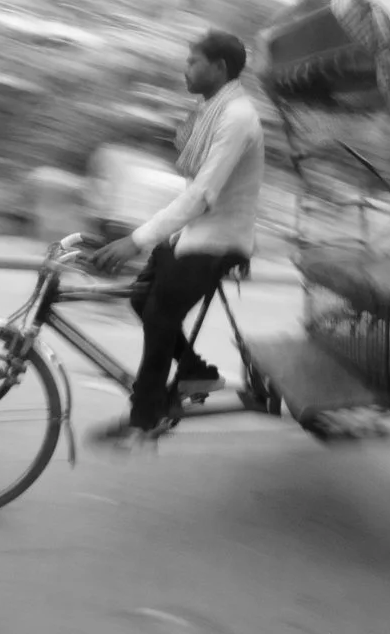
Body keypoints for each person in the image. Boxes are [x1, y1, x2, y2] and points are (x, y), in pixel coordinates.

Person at [90, 30, 265, 447]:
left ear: (219, 67)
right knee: (139, 297)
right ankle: (195, 371)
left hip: (219, 241)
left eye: (193, 61)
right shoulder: (212, 112)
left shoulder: (237, 118)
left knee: (160, 316)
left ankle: (144, 418)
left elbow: (202, 195)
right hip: (196, 234)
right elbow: (193, 192)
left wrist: (137, 239)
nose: (185, 68)